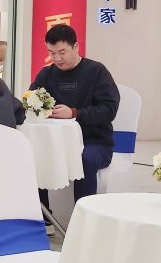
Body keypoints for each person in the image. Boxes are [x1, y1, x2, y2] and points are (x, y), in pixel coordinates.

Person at [31, 24, 120, 202]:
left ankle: (82, 214)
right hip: (57, 143)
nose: (57, 58)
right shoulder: (46, 74)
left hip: (94, 142)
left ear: (76, 47)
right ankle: (43, 214)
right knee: (36, 157)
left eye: (62, 52)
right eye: (51, 53)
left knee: (85, 159)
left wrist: (74, 113)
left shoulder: (96, 71)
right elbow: (31, 102)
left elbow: (108, 110)